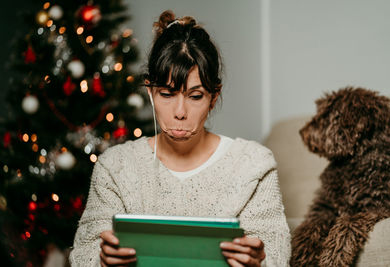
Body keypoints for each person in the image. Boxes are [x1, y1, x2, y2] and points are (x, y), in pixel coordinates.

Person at [69, 10, 290, 267]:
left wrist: (259, 263)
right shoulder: (116, 167)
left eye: (195, 96)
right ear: (150, 91)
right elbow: (84, 255)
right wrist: (103, 260)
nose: (180, 112)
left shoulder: (253, 165)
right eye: (167, 94)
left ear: (213, 98)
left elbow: (277, 255)